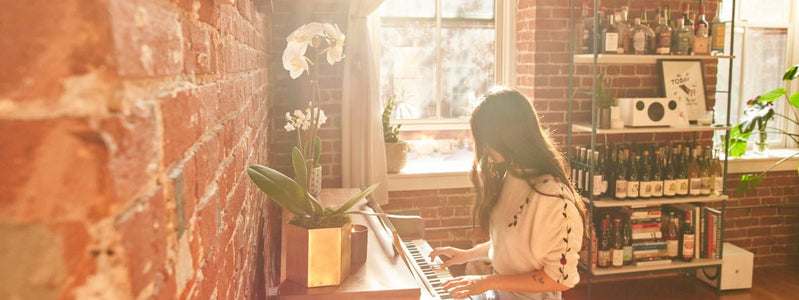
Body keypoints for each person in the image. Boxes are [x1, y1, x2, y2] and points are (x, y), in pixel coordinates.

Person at [429, 87, 588, 300]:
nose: (484, 149)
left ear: (505, 137)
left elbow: (560, 278)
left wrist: (486, 282)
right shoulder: (511, 176)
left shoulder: (555, 200)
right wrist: (467, 255)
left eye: (485, 139)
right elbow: (511, 243)